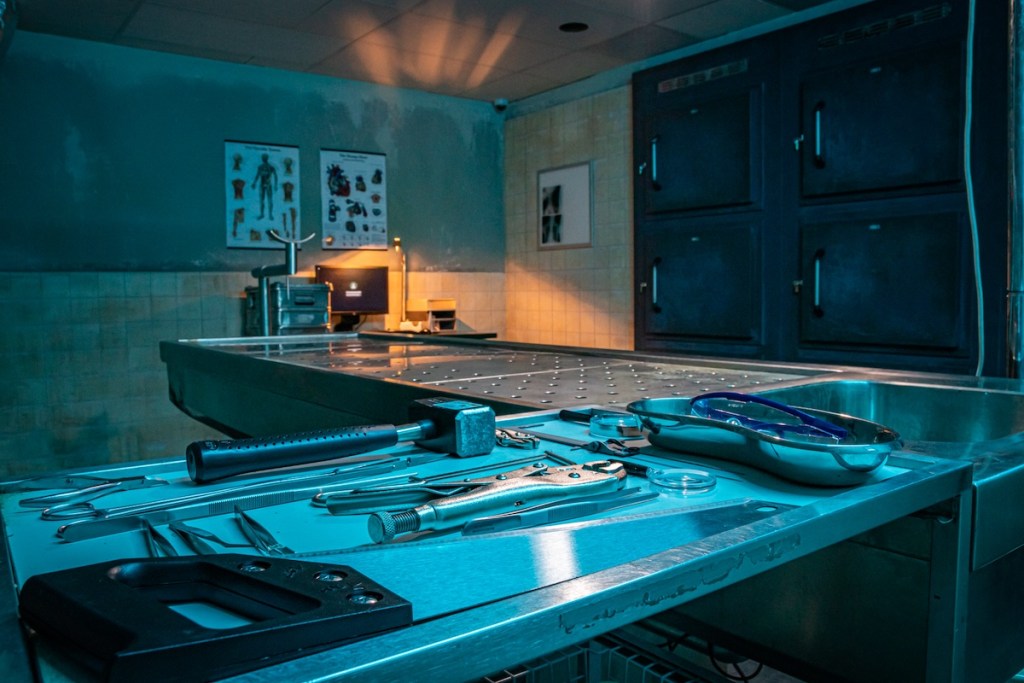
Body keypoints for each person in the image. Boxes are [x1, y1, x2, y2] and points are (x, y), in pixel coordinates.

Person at [251, 153, 278, 220]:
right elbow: (257, 175)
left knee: (269, 200)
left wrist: (275, 185)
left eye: (264, 158)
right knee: (261, 201)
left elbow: (275, 176)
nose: (263, 159)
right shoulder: (260, 167)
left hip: (268, 185)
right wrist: (254, 183)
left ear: (266, 159)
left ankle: (270, 215)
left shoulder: (271, 167)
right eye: (263, 158)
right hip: (262, 185)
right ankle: (262, 214)